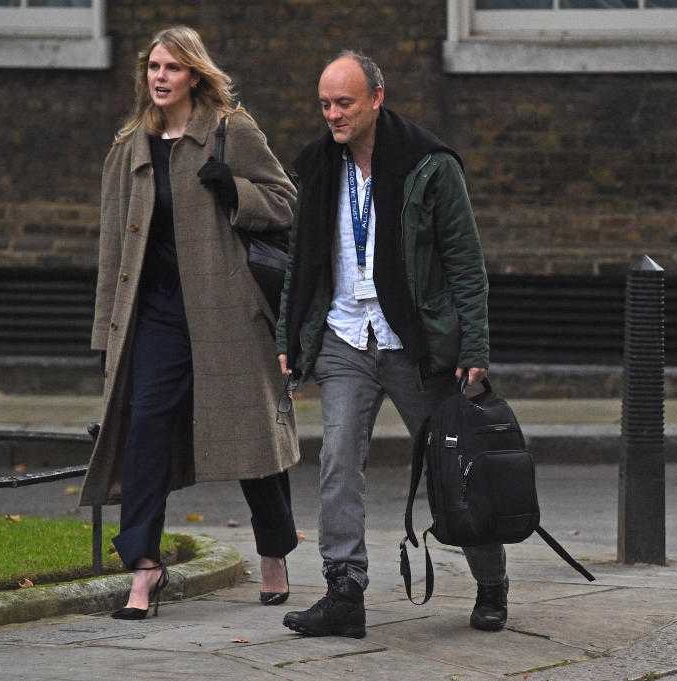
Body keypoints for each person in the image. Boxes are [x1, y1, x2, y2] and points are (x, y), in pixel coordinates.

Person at [276, 51, 506, 638]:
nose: (333, 115)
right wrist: (289, 337)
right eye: (325, 104)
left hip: (414, 341)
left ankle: (491, 583)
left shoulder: (429, 165)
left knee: (454, 467)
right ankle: (344, 590)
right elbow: (300, 263)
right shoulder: (319, 168)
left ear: (377, 98)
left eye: (344, 103)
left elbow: (465, 263)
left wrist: (473, 348)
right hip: (344, 336)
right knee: (337, 460)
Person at [79, 25, 299, 620]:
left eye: (171, 68)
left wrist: (235, 192)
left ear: (194, 75)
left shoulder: (230, 131)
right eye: (152, 66)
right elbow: (110, 252)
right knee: (144, 431)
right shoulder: (129, 146)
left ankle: (275, 551)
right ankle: (145, 569)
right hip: (155, 315)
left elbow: (285, 201)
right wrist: (107, 335)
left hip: (228, 309)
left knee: (250, 439)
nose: (159, 77)